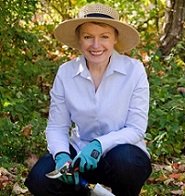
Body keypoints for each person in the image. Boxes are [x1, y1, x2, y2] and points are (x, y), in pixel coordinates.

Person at [24, 3, 152, 196]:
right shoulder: (66, 73)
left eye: (104, 37)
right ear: (79, 39)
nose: (96, 45)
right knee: (39, 179)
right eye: (88, 37)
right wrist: (61, 156)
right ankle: (83, 191)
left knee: (128, 163)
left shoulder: (134, 71)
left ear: (115, 38)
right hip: (79, 153)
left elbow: (136, 129)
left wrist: (99, 144)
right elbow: (57, 127)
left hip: (119, 155)